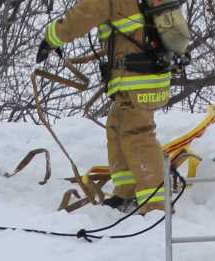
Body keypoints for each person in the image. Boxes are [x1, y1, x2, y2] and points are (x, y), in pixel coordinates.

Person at [37, 0, 176, 214]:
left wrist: (51, 38)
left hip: (137, 79)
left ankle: (156, 205)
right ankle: (126, 192)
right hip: (143, 76)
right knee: (117, 126)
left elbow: (83, 15)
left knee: (137, 135)